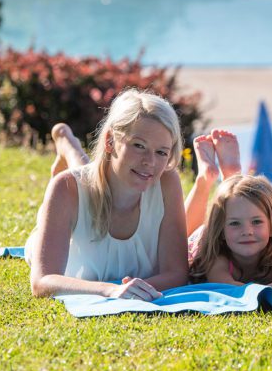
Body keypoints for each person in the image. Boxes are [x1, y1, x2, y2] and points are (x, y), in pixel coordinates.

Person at [26, 89, 188, 301]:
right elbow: (42, 282)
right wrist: (110, 290)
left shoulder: (166, 181)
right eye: (139, 146)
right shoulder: (65, 188)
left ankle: (70, 147)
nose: (150, 162)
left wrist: (137, 288)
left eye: (161, 152)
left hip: (103, 176)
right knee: (82, 179)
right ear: (110, 140)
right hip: (73, 197)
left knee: (93, 172)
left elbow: (177, 273)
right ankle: (67, 142)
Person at [188, 166, 272, 293]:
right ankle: (207, 175)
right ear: (221, 231)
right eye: (235, 223)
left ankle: (229, 169)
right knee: (182, 237)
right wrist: (262, 290)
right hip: (198, 242)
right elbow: (225, 286)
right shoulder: (217, 257)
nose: (247, 231)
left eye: (256, 222)